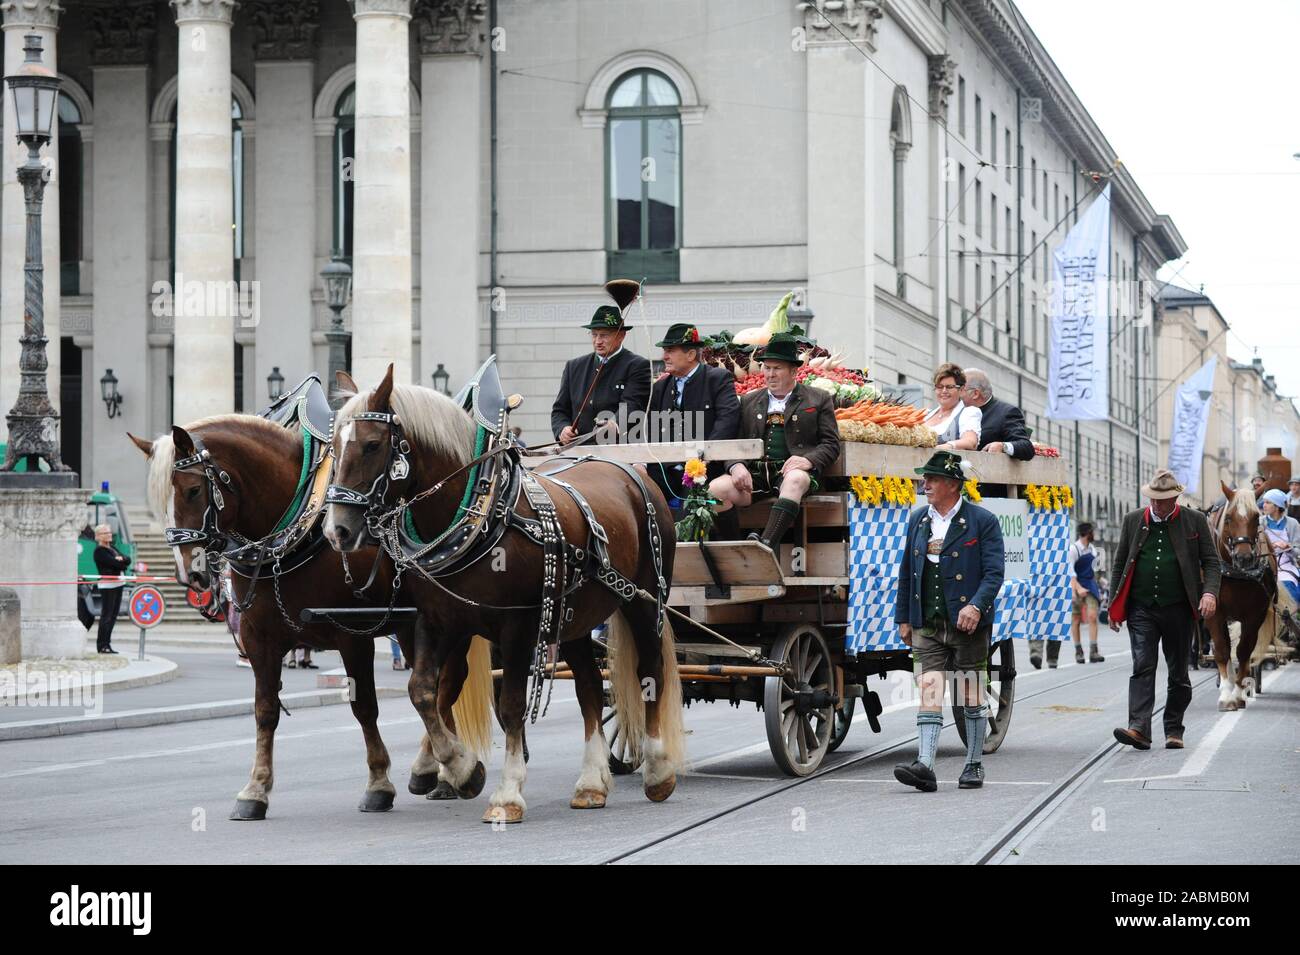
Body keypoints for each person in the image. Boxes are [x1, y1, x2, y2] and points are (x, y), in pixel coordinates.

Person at [893, 451, 1005, 792]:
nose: (924, 484)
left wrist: (975, 606)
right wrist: (904, 617)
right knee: (929, 689)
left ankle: (973, 764)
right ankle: (925, 765)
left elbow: (994, 573)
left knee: (969, 692)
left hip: (967, 623)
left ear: (953, 484)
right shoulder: (918, 519)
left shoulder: (982, 521)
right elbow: (906, 573)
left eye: (932, 479)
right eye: (924, 479)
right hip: (927, 619)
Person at [1107, 469, 1221, 750]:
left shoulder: (1195, 521)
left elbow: (1212, 562)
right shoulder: (1133, 520)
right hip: (1141, 607)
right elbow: (1119, 564)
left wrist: (1209, 592)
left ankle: (1174, 728)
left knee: (1178, 672)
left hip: (1179, 608)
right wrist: (1113, 604)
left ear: (1175, 498)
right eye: (1153, 499)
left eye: (1163, 500)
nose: (1156, 505)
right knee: (1143, 666)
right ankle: (1139, 729)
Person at [710, 333, 840, 550]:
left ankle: (766, 545)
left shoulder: (818, 399)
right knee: (715, 490)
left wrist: (808, 461)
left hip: (792, 473)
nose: (770, 374)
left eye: (777, 368)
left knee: (795, 479)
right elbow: (733, 441)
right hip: (756, 475)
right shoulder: (750, 400)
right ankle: (737, 549)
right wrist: (735, 465)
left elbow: (831, 444)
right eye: (766, 368)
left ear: (793, 370)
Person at [551, 279, 651, 445]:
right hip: (577, 448)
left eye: (604, 335)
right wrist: (562, 429)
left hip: (617, 448)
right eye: (594, 334)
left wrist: (614, 423)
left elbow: (632, 405)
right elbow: (560, 410)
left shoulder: (637, 365)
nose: (598, 341)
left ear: (621, 336)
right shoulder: (574, 367)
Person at [646, 322, 740, 500]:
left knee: (692, 506)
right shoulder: (660, 387)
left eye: (670, 351)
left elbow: (728, 420)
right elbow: (651, 427)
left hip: (705, 467)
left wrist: (705, 456)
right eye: (665, 350)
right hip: (667, 467)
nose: (664, 356)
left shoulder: (717, 379)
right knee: (639, 492)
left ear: (690, 354)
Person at [961, 368, 1035, 459]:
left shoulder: (1006, 412)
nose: (955, 393)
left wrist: (1003, 446)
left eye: (960, 389)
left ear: (975, 393)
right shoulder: (954, 412)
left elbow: (1026, 447)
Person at [1068, 522, 1105, 665]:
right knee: (1076, 619)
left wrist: (1101, 582)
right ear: (1086, 533)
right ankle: (1078, 651)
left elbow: (1095, 571)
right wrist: (1077, 589)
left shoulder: (1093, 549)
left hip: (1090, 584)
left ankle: (1093, 650)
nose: (1093, 534)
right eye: (1092, 532)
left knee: (1092, 616)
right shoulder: (1073, 549)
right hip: (1076, 584)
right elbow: (1070, 573)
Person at [921, 363, 980, 451]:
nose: (944, 391)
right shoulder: (925, 414)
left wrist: (948, 446)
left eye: (949, 387)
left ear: (961, 390)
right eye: (939, 387)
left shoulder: (968, 413)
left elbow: (971, 442)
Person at [91, 524, 129, 654]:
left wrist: (122, 560)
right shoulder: (99, 551)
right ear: (98, 537)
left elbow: (127, 560)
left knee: (113, 616)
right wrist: (121, 562)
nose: (109, 534)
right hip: (108, 586)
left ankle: (107, 644)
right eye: (105, 533)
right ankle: (102, 645)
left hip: (118, 584)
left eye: (109, 532)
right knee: (106, 616)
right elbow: (117, 564)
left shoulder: (112, 548)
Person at [1260, 489, 1300, 611]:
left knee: (1290, 585)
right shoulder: (1260, 522)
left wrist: (1288, 547)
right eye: (1264, 502)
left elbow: (1298, 549)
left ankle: (1291, 617)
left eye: (1268, 502)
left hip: (1285, 564)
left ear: (1277, 506)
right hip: (1263, 563)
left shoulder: (1292, 523)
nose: (1263, 505)